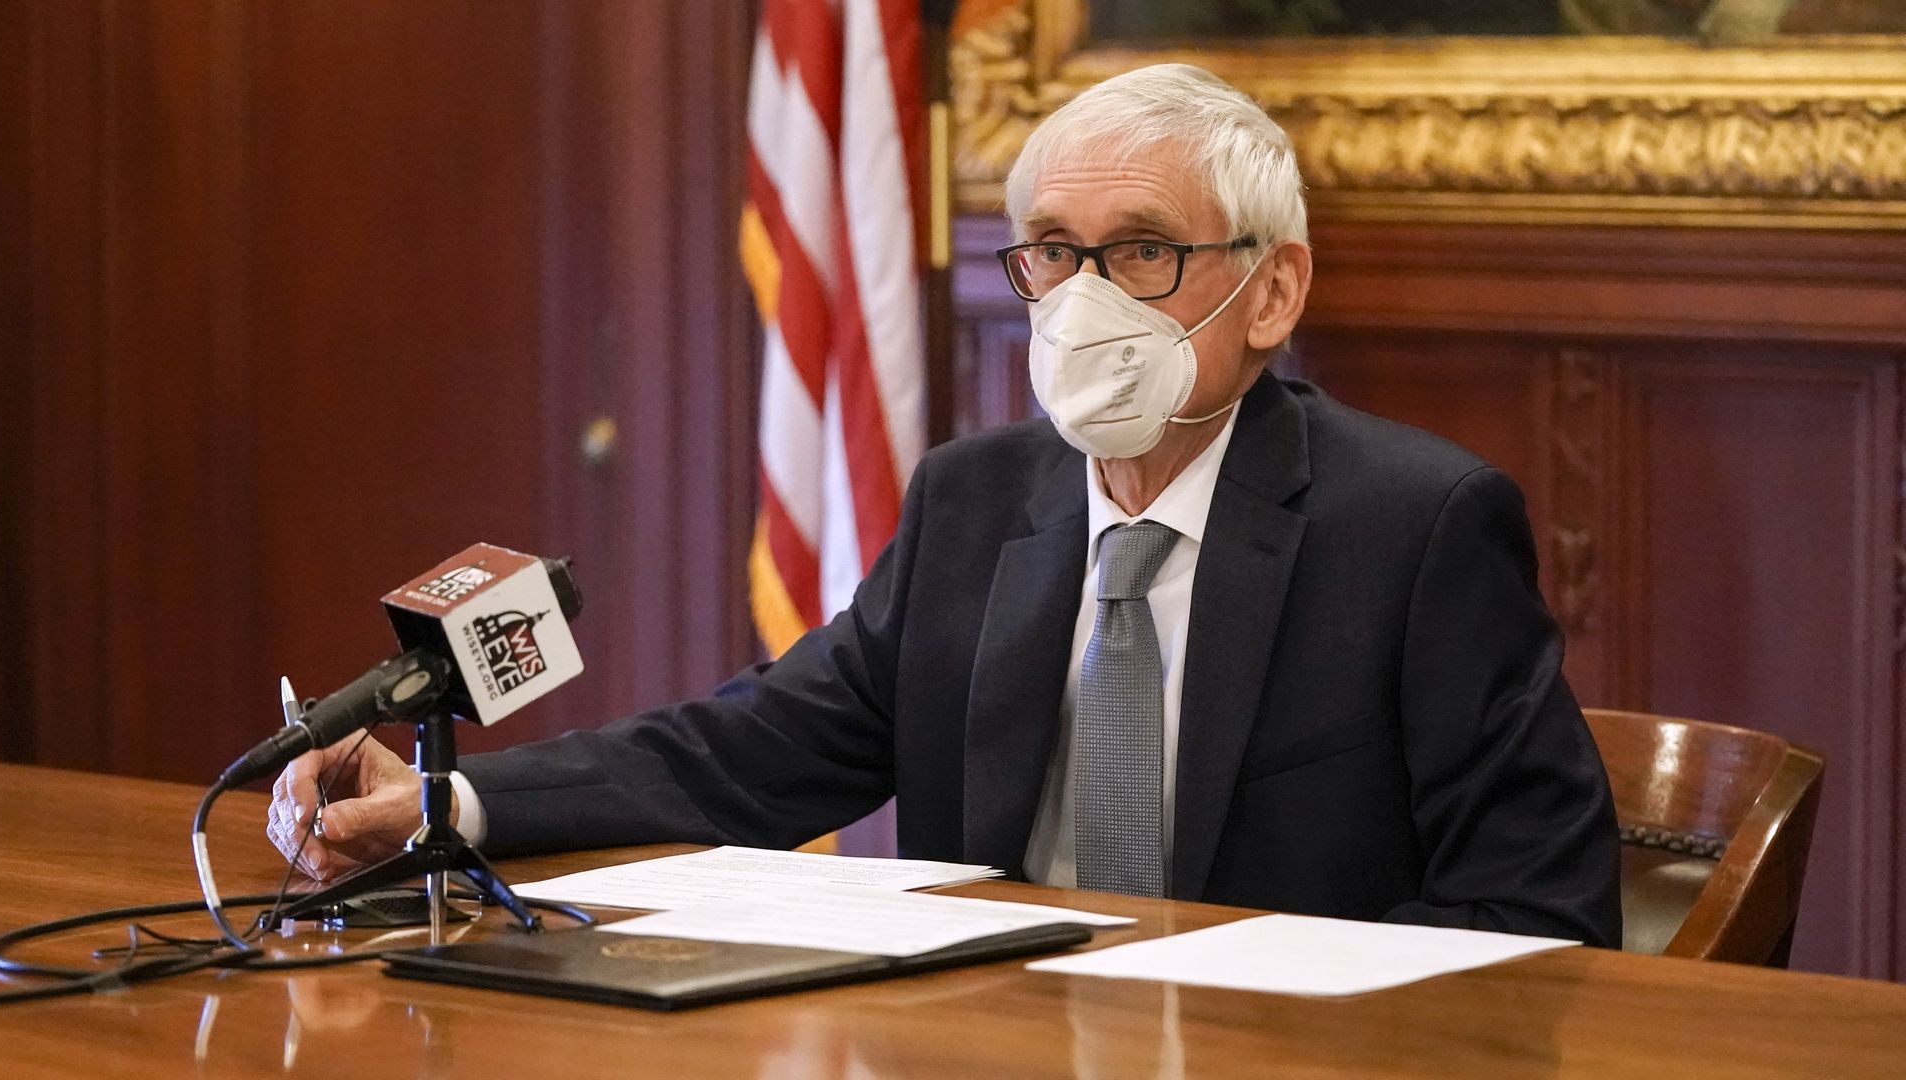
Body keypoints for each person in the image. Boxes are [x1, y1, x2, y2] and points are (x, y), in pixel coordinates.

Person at [268, 63, 1622, 946]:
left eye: (1142, 252)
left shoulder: (1418, 525)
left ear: (1271, 292)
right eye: (1051, 254)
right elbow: (747, 753)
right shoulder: (981, 501)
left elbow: (1541, 908)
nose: (1084, 301)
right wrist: (446, 800)